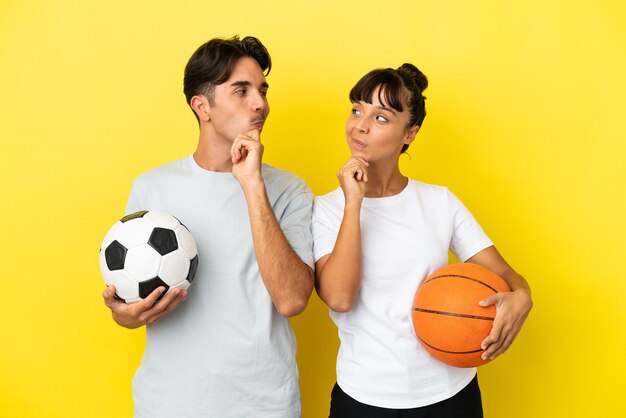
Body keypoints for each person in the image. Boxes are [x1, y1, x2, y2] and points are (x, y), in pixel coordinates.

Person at [102, 36, 314, 417]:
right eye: (241, 91)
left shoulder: (288, 190)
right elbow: (129, 301)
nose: (260, 103)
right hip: (170, 403)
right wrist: (124, 315)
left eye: (263, 90)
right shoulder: (151, 187)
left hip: (264, 404)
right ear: (202, 106)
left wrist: (252, 185)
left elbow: (293, 300)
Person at [312, 64, 533, 417]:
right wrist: (353, 202)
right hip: (364, 397)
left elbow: (510, 278)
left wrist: (523, 297)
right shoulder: (326, 209)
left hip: (450, 393)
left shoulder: (439, 201)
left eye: (381, 118)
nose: (361, 125)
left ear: (410, 133)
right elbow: (339, 298)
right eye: (356, 109)